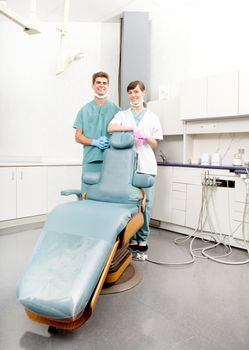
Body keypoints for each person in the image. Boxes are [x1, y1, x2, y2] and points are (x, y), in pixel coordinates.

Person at [108, 80, 163, 251]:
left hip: (146, 166)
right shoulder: (123, 115)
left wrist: (145, 135)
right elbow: (110, 127)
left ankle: (143, 238)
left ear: (143, 93)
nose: (133, 95)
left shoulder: (153, 117)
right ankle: (131, 237)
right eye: (130, 92)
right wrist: (131, 128)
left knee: (146, 204)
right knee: (130, 203)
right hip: (126, 166)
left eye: (136, 92)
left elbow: (154, 144)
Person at [73, 72, 120, 193]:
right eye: (98, 82)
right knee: (87, 194)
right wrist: (94, 142)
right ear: (93, 85)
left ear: (108, 86)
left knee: (108, 194)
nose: (101, 85)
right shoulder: (84, 110)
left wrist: (111, 142)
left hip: (111, 159)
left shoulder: (116, 110)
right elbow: (78, 136)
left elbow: (121, 135)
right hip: (91, 159)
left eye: (104, 83)